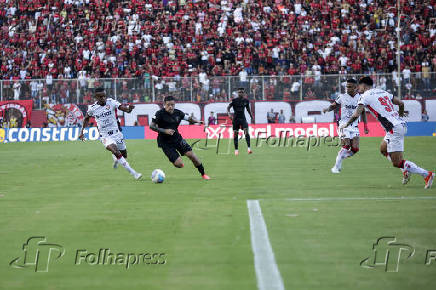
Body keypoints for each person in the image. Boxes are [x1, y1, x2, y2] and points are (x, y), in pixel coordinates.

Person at [340, 77, 433, 189]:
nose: (358, 88)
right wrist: (400, 115)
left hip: (394, 129)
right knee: (383, 149)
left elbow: (356, 114)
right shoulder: (382, 92)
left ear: (363, 86)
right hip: (396, 126)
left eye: (359, 86)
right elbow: (401, 103)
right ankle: (405, 170)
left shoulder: (365, 96)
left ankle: (427, 174)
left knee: (397, 162)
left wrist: (346, 124)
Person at [79, 88, 142, 180]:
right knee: (115, 150)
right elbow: (86, 118)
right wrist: (82, 132)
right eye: (100, 97)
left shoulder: (111, 102)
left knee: (124, 155)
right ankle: (134, 173)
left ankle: (116, 158)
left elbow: (124, 109)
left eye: (104, 96)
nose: (103, 98)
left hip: (117, 134)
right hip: (105, 136)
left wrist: (129, 109)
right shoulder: (92, 108)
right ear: (96, 97)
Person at [150, 96, 210, 180]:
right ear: (164, 104)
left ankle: (203, 174)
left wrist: (197, 121)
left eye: (172, 105)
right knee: (179, 164)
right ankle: (175, 159)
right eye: (168, 105)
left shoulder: (178, 113)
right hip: (165, 142)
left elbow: (188, 118)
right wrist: (164, 130)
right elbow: (151, 126)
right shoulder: (159, 114)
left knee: (192, 155)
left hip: (177, 138)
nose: (170, 107)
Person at [323, 79, 369, 173]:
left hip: (355, 126)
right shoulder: (342, 97)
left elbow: (363, 112)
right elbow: (334, 105)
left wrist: (365, 126)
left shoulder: (360, 98)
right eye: (347, 86)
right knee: (346, 145)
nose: (347, 88)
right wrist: (327, 109)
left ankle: (341, 156)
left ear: (355, 87)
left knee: (355, 149)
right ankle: (336, 167)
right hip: (343, 125)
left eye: (350, 86)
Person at [227, 87, 254, 155]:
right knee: (236, 134)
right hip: (235, 119)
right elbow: (228, 108)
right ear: (238, 93)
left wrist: (251, 116)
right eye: (239, 92)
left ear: (244, 93)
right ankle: (236, 150)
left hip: (243, 119)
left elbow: (248, 109)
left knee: (246, 132)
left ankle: (249, 149)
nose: (240, 93)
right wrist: (229, 114)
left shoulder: (246, 101)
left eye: (242, 92)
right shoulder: (234, 100)